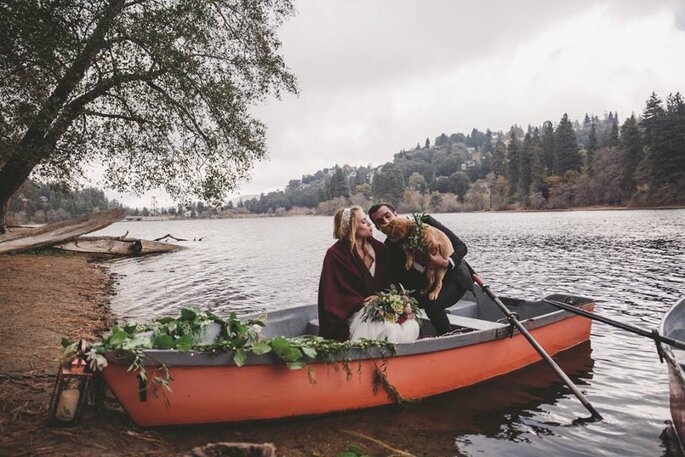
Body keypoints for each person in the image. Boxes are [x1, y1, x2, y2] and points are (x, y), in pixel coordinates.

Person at [317, 206, 419, 343]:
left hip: (382, 308)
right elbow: (334, 294)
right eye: (363, 222)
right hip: (352, 312)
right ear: (351, 227)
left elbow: (391, 282)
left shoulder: (381, 249)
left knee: (410, 325)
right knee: (385, 328)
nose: (370, 224)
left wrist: (395, 299)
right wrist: (365, 303)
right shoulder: (335, 255)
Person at [368, 203, 473, 336]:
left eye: (388, 216)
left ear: (395, 213)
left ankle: (447, 336)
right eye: (380, 221)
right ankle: (417, 339)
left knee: (432, 304)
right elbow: (394, 277)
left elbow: (461, 246)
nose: (386, 221)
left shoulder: (425, 222)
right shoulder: (388, 248)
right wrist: (401, 299)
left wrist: (445, 263)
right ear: (378, 227)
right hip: (423, 288)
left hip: (454, 279)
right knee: (402, 306)